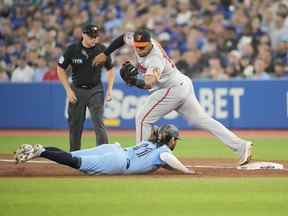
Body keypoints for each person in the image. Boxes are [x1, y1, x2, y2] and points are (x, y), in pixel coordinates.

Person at [93, 29, 252, 165]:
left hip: (173, 88)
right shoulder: (137, 40)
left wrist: (134, 80)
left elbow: (149, 83)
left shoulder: (155, 58)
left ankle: (139, 160)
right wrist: (105, 53)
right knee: (201, 120)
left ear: (150, 43)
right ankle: (241, 146)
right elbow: (122, 38)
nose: (139, 49)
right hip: (180, 84)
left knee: (143, 118)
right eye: (137, 46)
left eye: (143, 47)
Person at [14, 124, 195, 175]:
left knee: (69, 156)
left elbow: (164, 161)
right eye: (175, 139)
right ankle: (41, 152)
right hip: (118, 162)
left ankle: (41, 148)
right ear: (170, 139)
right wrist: (186, 171)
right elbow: (168, 158)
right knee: (76, 163)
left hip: (114, 149)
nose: (175, 143)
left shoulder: (149, 142)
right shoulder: (163, 151)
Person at [57, 24, 115, 151]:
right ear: (83, 34)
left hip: (96, 90)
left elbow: (110, 69)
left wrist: (110, 89)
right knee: (75, 125)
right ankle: (75, 155)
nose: (94, 39)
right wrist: (68, 90)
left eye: (96, 36)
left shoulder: (102, 50)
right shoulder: (72, 49)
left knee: (98, 123)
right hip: (76, 90)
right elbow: (60, 69)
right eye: (91, 36)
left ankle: (104, 154)